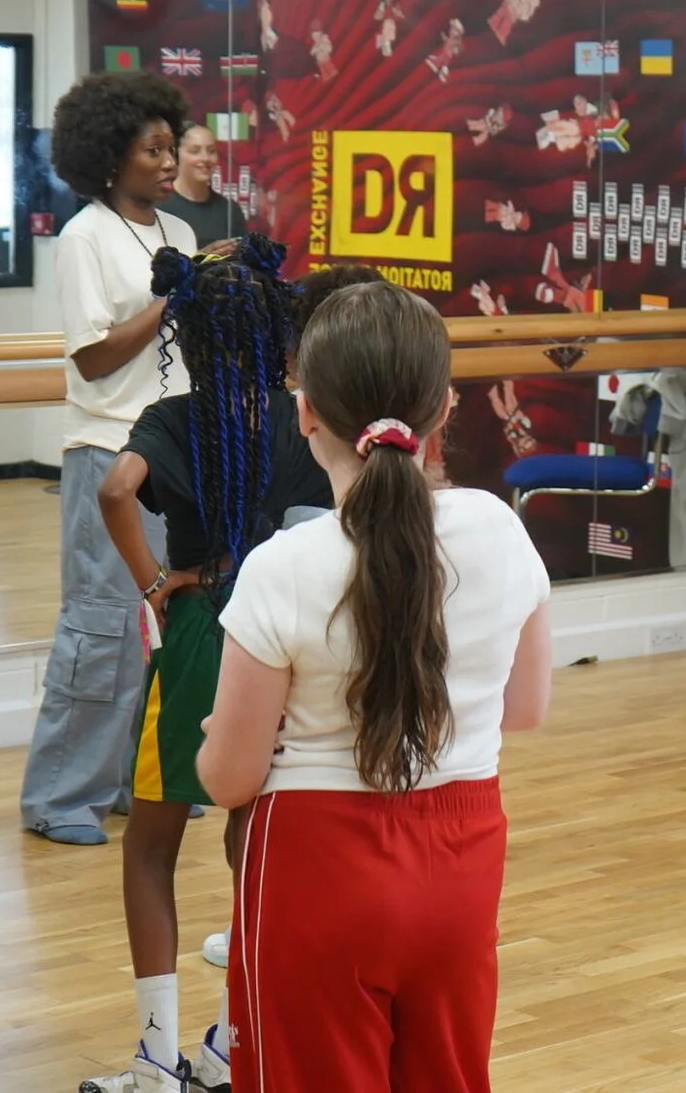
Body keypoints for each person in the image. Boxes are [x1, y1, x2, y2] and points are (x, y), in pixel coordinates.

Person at [198, 281, 555, 1092]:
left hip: (316, 862)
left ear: (305, 413)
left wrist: (223, 736)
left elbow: (228, 779)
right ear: (445, 406)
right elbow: (526, 708)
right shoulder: (500, 528)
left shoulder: (282, 565)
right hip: (463, 857)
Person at [83, 236, 326, 1093]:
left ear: (182, 337)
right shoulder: (294, 417)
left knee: (151, 845)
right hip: (276, 635)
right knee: (251, 838)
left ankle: (157, 1058)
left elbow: (115, 487)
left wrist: (155, 581)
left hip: (196, 632)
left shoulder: (174, 419)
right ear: (275, 339)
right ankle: (232, 1040)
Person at [194, 256, 386, 978]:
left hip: (289, 623)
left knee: (262, 776)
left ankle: (255, 922)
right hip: (432, 857)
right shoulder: (479, 526)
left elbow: (229, 776)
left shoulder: (279, 421)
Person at [20, 72, 199, 846]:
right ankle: (61, 794)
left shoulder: (180, 231)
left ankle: (142, 776)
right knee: (104, 624)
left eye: (172, 146)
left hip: (179, 451)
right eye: (152, 149)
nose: (170, 161)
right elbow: (92, 356)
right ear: (108, 156)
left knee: (172, 617)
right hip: (108, 450)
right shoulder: (84, 236)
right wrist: (174, 301)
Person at [157, 123, 248, 243]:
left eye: (211, 151)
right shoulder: (159, 207)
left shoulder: (230, 210)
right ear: (176, 155)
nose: (205, 158)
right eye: (195, 151)